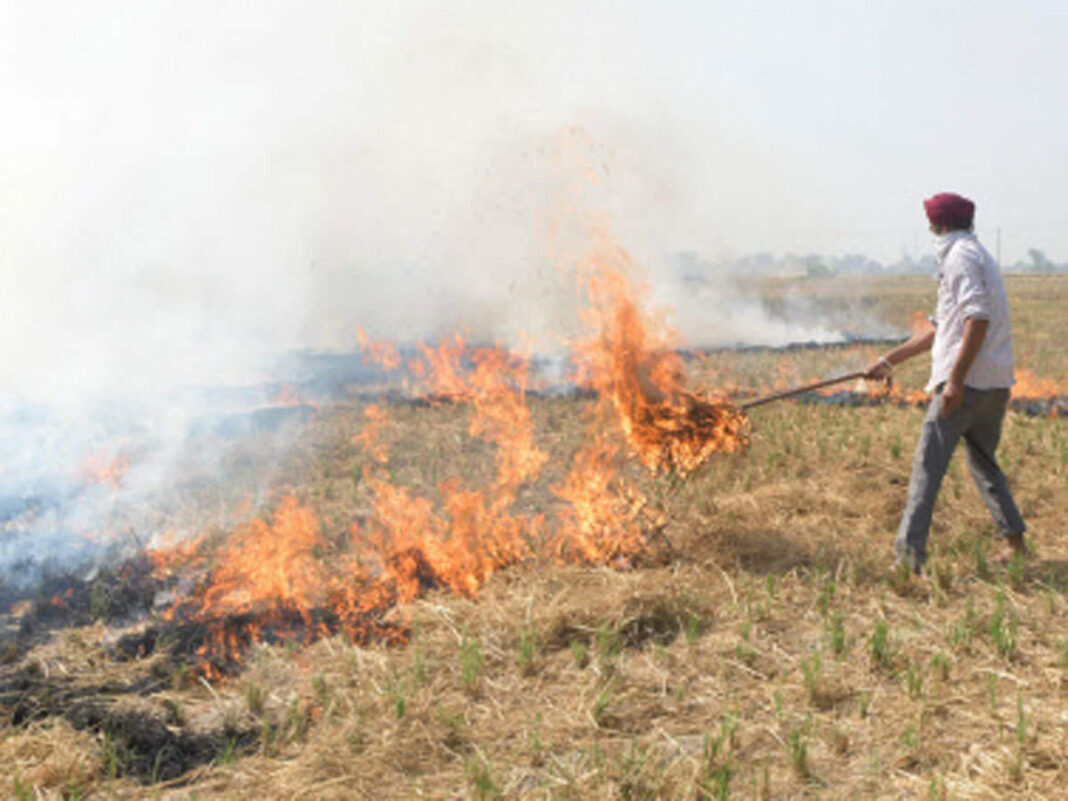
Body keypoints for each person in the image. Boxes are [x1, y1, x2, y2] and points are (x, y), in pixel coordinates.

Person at [866, 192, 1026, 572]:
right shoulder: (978, 254)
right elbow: (941, 328)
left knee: (927, 470)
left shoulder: (957, 258)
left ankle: (907, 562)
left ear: (938, 226)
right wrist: (889, 360)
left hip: (965, 387)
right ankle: (1015, 543)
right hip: (994, 383)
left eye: (930, 225)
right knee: (985, 463)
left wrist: (954, 381)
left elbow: (977, 318)